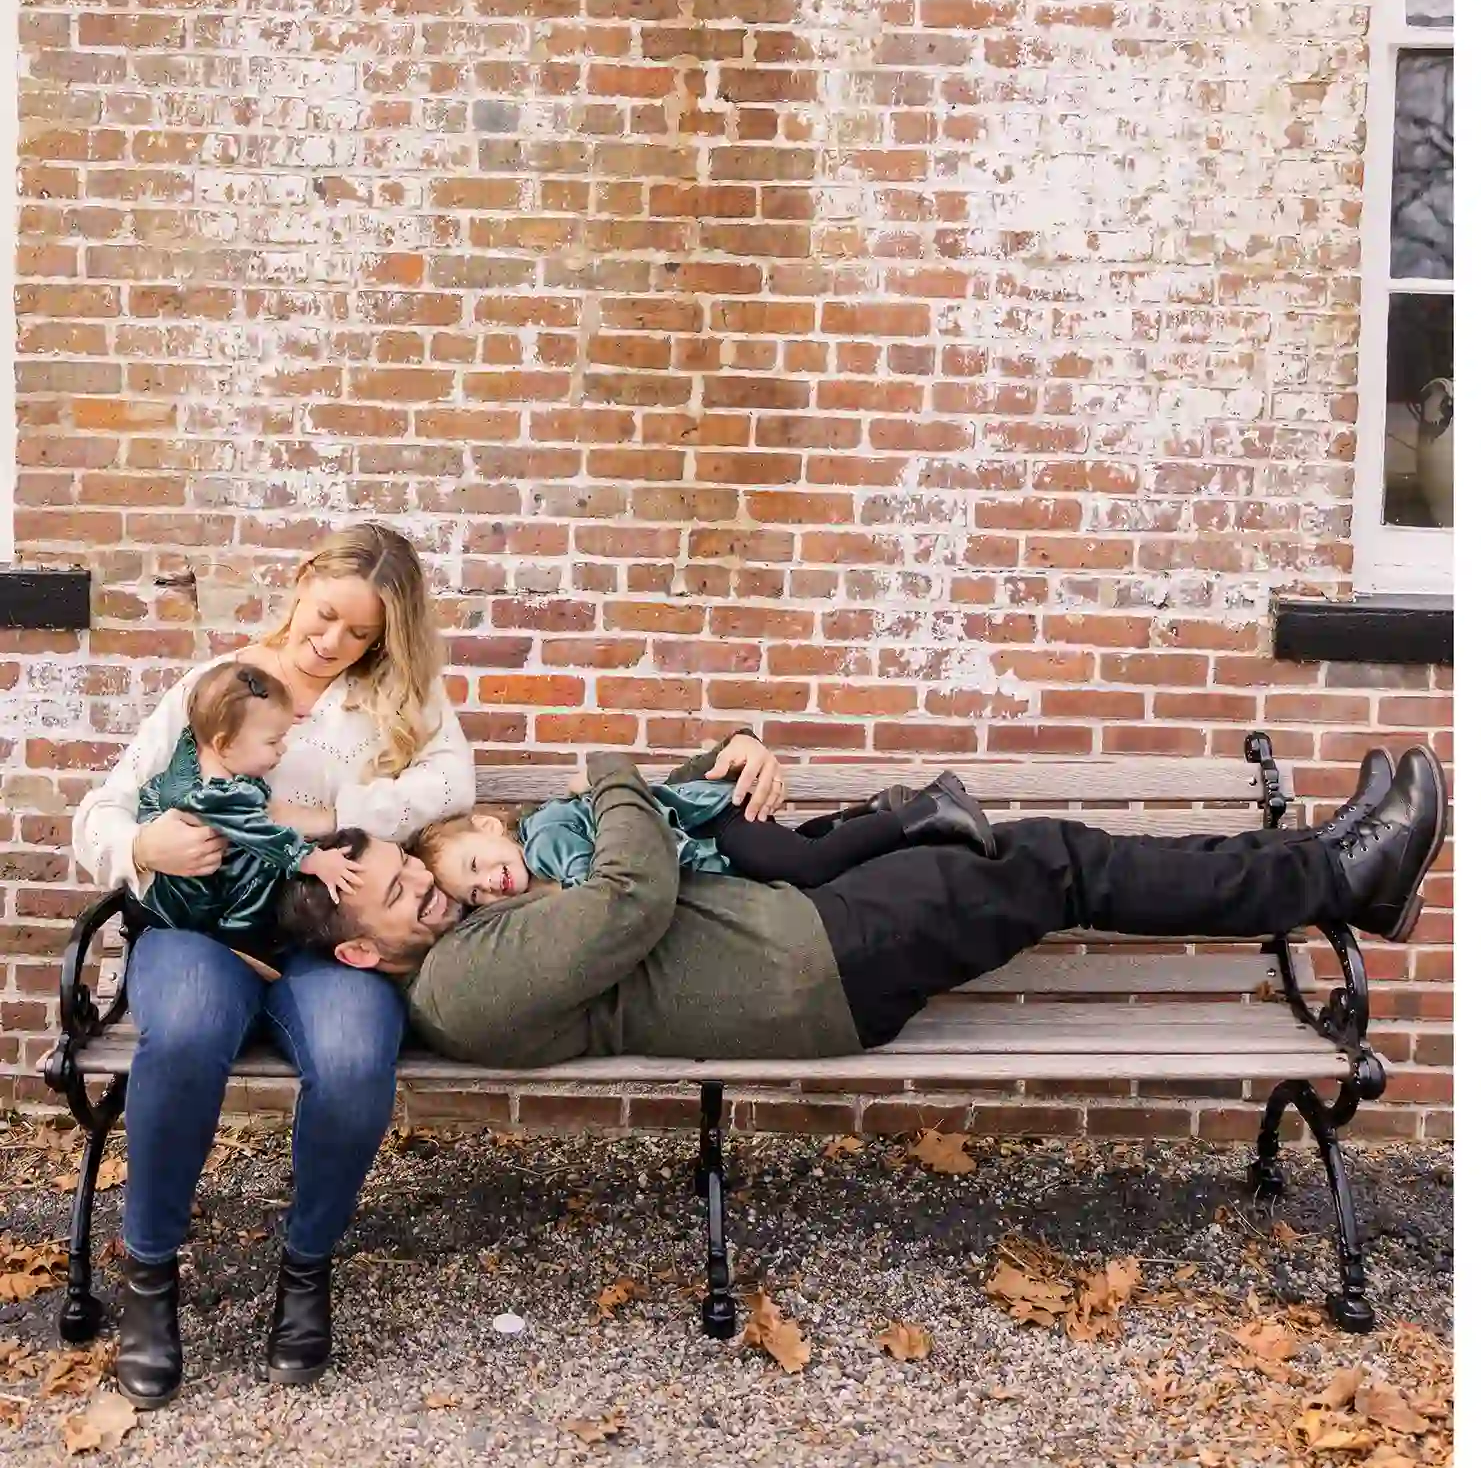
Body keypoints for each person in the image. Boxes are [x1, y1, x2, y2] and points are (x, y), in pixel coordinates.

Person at [275, 740, 1448, 1081]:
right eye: (400, 888)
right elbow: (628, 897)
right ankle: (1336, 876)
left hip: (802, 937)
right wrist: (608, 774)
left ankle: (1315, 861)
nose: (426, 877)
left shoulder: (468, 930)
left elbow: (631, 857)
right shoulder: (461, 985)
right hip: (810, 965)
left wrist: (716, 755)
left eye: (405, 861)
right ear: (366, 948)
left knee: (1052, 856)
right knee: (1052, 863)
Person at [72, 522, 477, 1408]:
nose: (331, 643)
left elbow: (455, 780)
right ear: (300, 583)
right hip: (201, 932)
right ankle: (149, 1279)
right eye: (325, 615)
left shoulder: (396, 698)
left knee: (353, 1057)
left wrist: (355, 805)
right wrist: (143, 840)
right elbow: (99, 809)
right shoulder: (216, 687)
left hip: (324, 941)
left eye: (359, 633)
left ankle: (305, 1267)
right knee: (182, 1035)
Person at [409, 768, 995, 905]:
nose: (491, 883)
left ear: (489, 827)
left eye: (477, 865)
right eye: (477, 894)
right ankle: (869, 813)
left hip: (709, 824)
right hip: (709, 833)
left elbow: (600, 886)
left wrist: (552, 898)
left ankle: (928, 810)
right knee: (794, 858)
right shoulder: (537, 845)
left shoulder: (542, 839)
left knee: (810, 870)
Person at [133, 660, 360, 951]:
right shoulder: (217, 796)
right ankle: (244, 940)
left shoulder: (194, 748)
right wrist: (319, 861)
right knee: (262, 867)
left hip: (174, 891)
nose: (283, 748)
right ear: (225, 745)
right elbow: (269, 837)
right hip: (192, 908)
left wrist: (275, 720)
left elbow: (211, 718)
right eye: (273, 741)